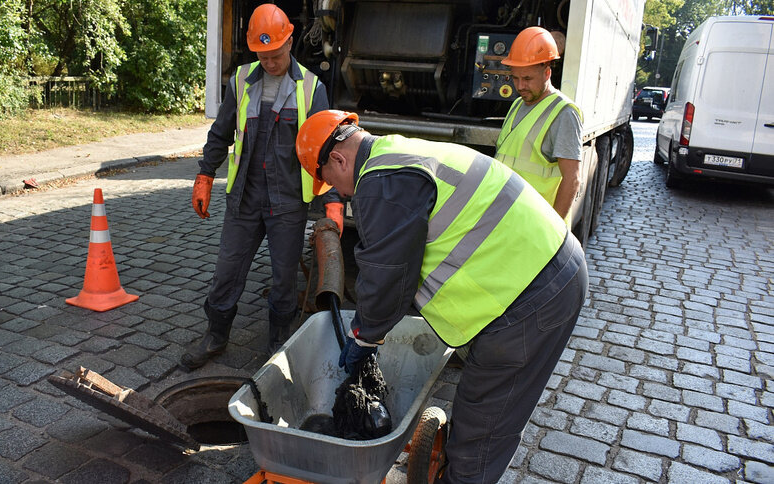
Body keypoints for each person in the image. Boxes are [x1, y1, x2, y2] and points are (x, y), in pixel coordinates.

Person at [294, 109, 589, 483]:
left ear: (337, 158)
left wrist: (365, 336)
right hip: (541, 269)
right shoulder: (394, 152)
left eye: (330, 181)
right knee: (477, 413)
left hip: (535, 292)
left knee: (480, 434)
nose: (339, 191)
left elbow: (387, 277)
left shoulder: (380, 183)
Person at [182, 4, 342, 370]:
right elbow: (220, 133)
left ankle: (278, 347)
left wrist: (333, 201)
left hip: (287, 201)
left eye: (276, 54)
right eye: (263, 56)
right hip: (245, 198)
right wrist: (206, 174)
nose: (270, 62)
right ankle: (215, 336)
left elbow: (327, 149)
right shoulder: (240, 80)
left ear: (290, 41)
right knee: (227, 270)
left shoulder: (312, 88)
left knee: (284, 279)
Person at [496, 26, 583, 223]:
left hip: (537, 227)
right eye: (515, 78)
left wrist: (553, 231)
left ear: (547, 73)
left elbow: (572, 179)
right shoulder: (518, 104)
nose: (520, 86)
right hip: (507, 220)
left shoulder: (564, 113)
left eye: (527, 78)